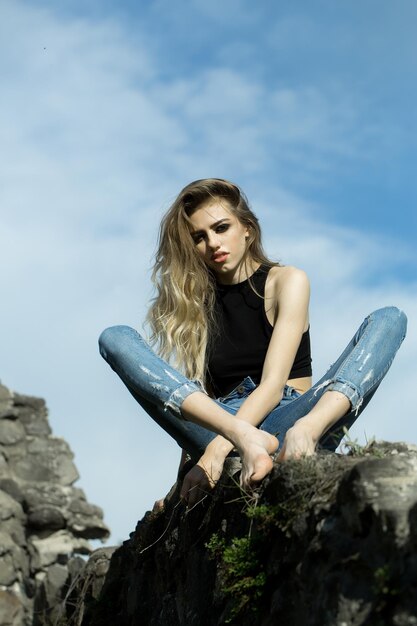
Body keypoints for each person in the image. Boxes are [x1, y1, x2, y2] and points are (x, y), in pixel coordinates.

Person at [99, 178, 407, 508]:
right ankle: (247, 441)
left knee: (390, 319)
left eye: (221, 228)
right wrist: (189, 475)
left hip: (289, 416)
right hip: (229, 430)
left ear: (247, 228)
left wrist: (217, 451)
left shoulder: (286, 281)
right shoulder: (196, 306)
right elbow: (202, 401)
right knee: (114, 338)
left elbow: (273, 387)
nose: (213, 243)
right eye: (199, 237)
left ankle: (308, 432)